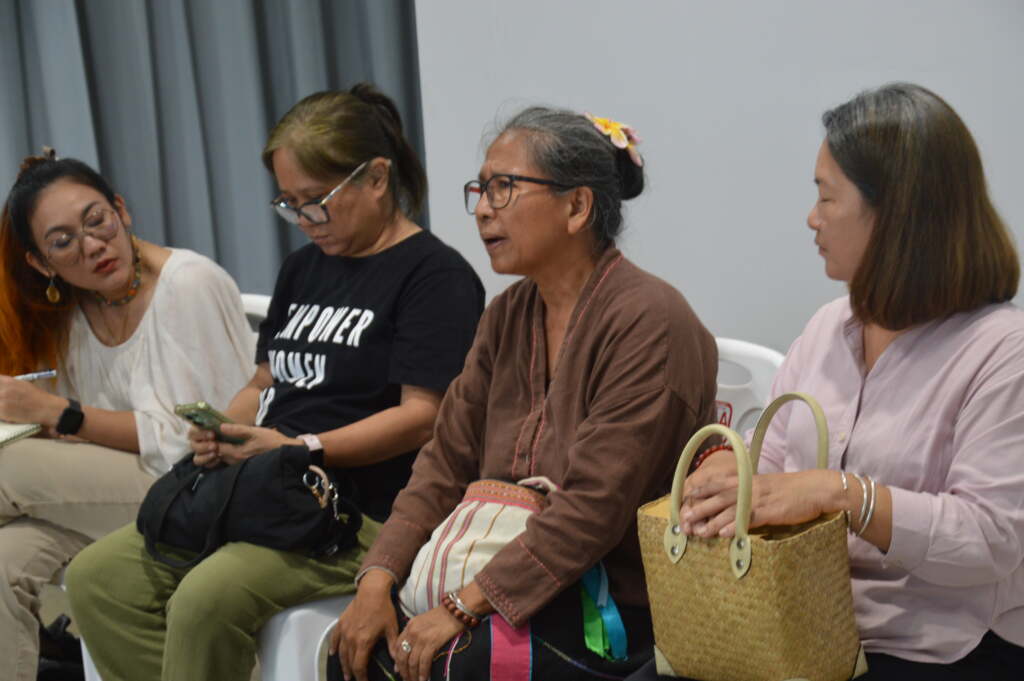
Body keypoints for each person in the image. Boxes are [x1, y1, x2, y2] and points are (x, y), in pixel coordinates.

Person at [66, 83, 485, 681]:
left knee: (207, 598)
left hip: (355, 513)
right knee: (97, 580)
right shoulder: (303, 267)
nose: (305, 221)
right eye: (289, 204)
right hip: (267, 491)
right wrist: (227, 428)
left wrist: (301, 447)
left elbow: (424, 418)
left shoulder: (435, 277)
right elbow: (266, 378)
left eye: (316, 201)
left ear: (376, 178)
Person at [630, 83, 1024, 680]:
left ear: (896, 215)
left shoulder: (1001, 350)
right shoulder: (828, 327)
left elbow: (991, 539)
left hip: (933, 644)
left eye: (826, 196)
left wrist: (841, 493)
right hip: (801, 625)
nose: (811, 218)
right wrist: (734, 472)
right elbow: (775, 460)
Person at [333, 106, 719, 681]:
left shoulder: (651, 321)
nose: (483, 209)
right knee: (354, 650)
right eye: (480, 190)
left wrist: (461, 607)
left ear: (577, 206)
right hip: (499, 580)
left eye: (504, 188)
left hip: (611, 607)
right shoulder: (507, 314)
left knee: (455, 665)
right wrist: (377, 579)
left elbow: (593, 509)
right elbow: (443, 463)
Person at [0, 151, 255, 681]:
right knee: (3, 561)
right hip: (122, 495)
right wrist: (50, 420)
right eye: (63, 242)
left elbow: (196, 440)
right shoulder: (74, 309)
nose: (92, 246)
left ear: (121, 209)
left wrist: (58, 414)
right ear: (41, 264)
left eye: (97, 221)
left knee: (7, 465)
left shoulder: (187, 283)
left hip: (199, 490)